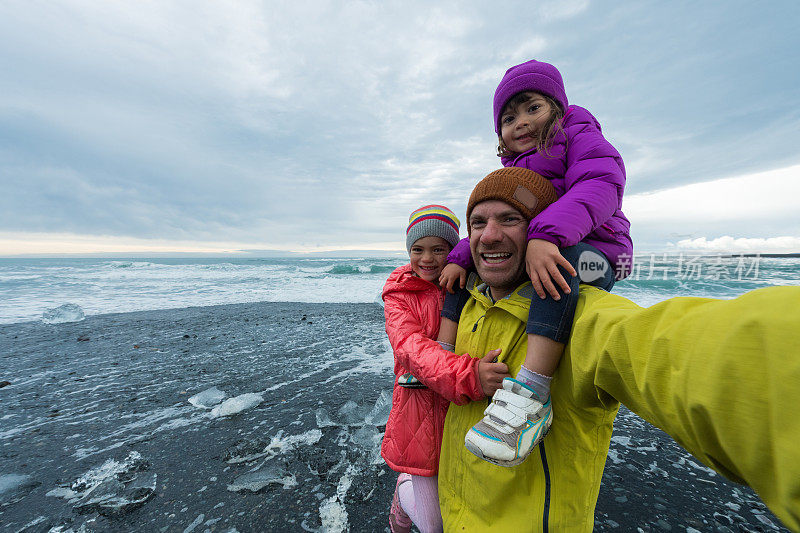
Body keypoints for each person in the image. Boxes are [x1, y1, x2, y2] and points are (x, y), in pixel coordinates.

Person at [419, 168, 800, 531]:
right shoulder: (467, 306)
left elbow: (672, 349)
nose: (489, 236)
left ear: (541, 230)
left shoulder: (580, 316)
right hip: (453, 515)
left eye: (510, 219)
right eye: (478, 223)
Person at [437, 59, 634, 466]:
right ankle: (441, 351)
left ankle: (532, 390)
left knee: (561, 266)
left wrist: (546, 236)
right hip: (548, 241)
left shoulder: (579, 135)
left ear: (558, 109)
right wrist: (459, 256)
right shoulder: (517, 168)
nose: (521, 122)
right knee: (463, 276)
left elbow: (601, 183)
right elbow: (497, 220)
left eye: (532, 108)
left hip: (598, 250)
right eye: (508, 118)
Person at [381, 205, 484, 533]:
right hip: (419, 411)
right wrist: (468, 376)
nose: (427, 258)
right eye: (417, 249)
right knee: (433, 525)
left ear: (452, 251)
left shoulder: (469, 284)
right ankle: (403, 491)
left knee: (463, 503)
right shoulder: (399, 295)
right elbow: (410, 348)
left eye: (438, 249)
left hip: (462, 410)